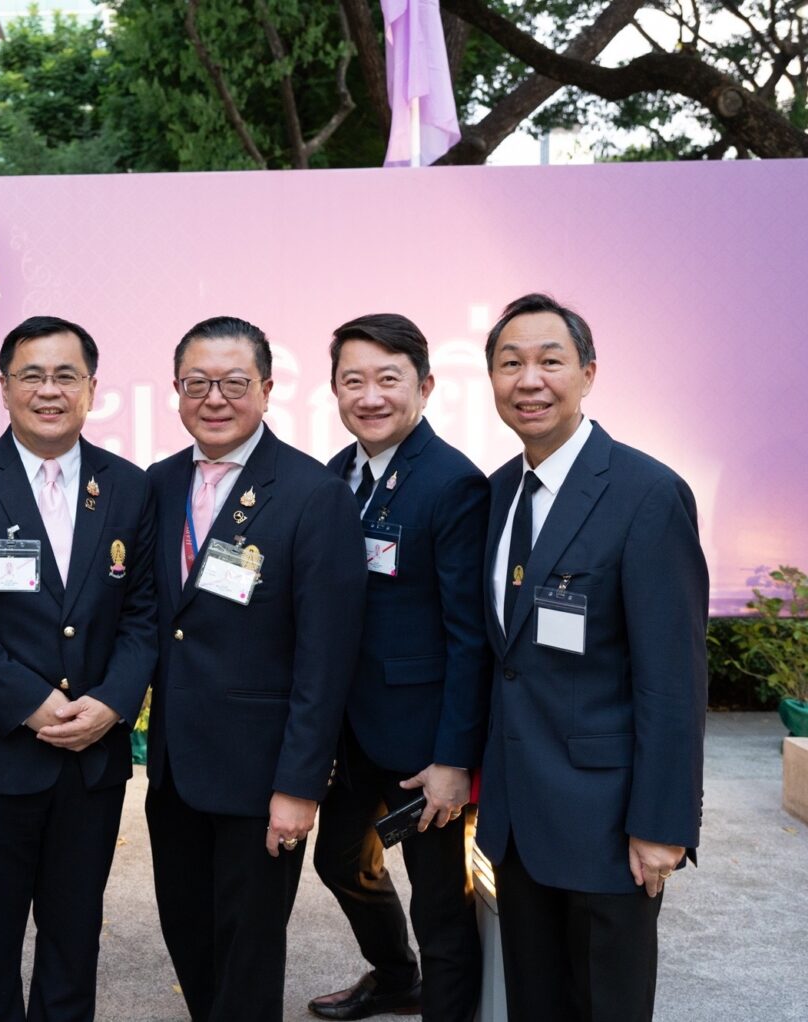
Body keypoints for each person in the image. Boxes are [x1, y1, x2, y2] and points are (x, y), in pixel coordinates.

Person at [0, 315, 157, 1022]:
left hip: (93, 761)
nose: (49, 391)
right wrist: (31, 702)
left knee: (74, 945)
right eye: (32, 376)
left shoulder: (130, 488)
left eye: (65, 376)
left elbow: (143, 615)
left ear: (92, 389)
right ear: (4, 387)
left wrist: (111, 703)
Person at [475, 293, 707, 1022]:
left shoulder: (646, 494)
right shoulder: (499, 492)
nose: (529, 379)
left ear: (588, 372)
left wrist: (662, 823)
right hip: (519, 820)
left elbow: (673, 679)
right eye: (510, 363)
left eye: (550, 360)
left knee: (607, 1005)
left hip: (609, 822)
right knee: (535, 1003)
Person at [144, 316, 367, 1022]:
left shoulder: (311, 494)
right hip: (175, 770)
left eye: (234, 383)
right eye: (197, 383)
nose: (215, 398)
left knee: (248, 951)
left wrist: (300, 786)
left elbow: (325, 659)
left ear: (266, 390)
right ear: (176, 391)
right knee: (189, 935)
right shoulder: (155, 485)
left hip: (260, 776)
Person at [309, 314, 490, 1022]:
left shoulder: (451, 484)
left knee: (442, 906)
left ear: (425, 385)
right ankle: (394, 978)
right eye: (354, 380)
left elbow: (470, 637)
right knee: (338, 863)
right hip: (355, 733)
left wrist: (454, 759)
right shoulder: (338, 474)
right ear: (334, 390)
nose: (371, 396)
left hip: (424, 743)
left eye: (389, 379)